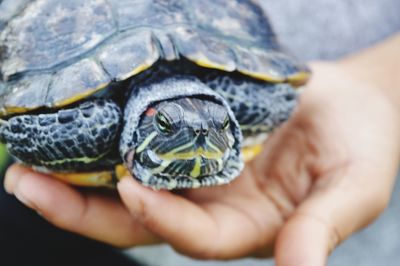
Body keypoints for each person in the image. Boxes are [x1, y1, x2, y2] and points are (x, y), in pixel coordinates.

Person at [3, 31, 400, 265]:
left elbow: (280, 97)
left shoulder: (255, 108)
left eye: (218, 125)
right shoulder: (103, 120)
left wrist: (381, 86)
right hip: (62, 233)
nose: (198, 135)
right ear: (145, 117)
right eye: (166, 126)